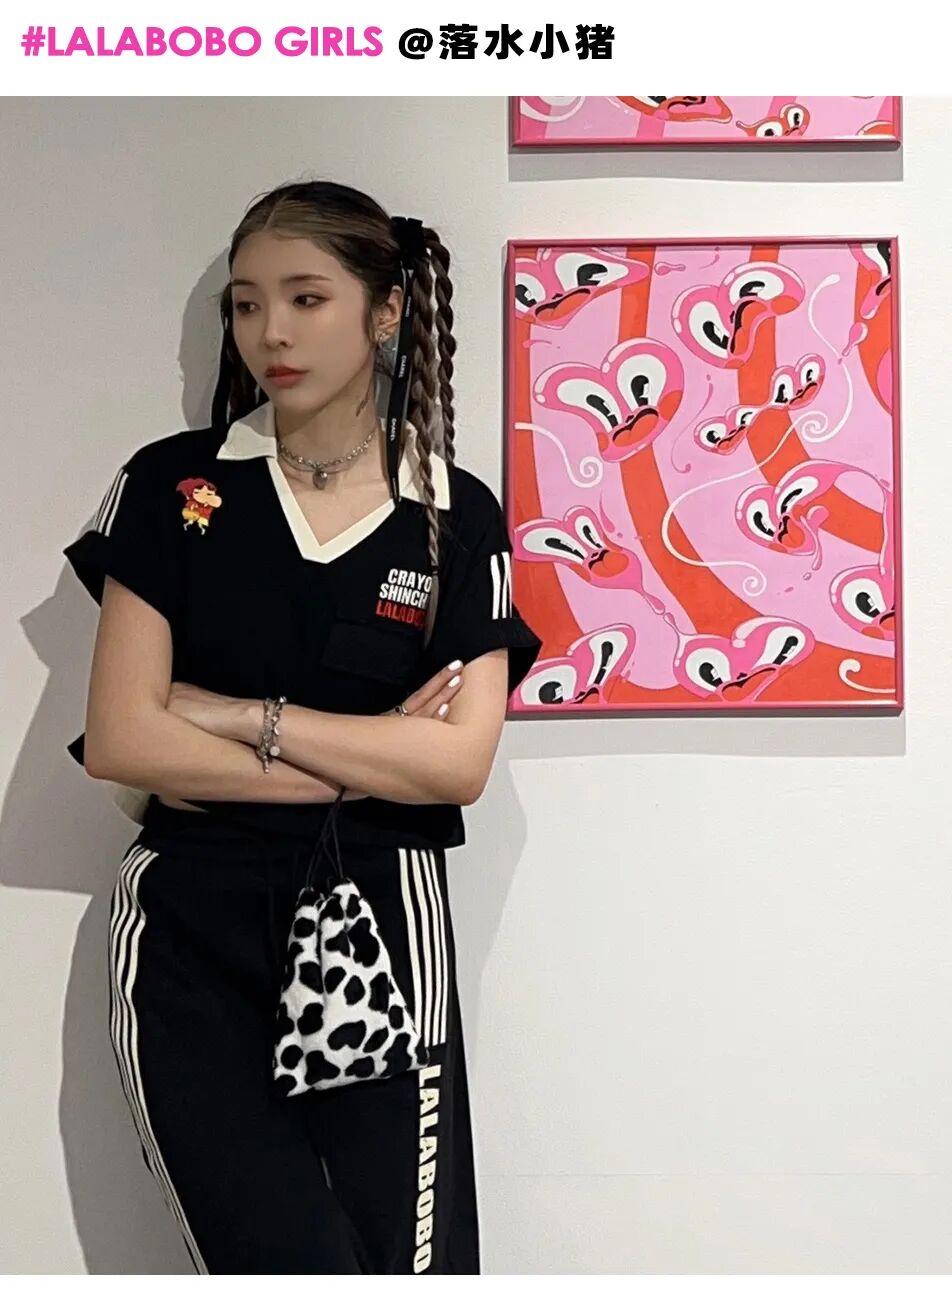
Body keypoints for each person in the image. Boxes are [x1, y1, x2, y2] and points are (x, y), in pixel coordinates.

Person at [62, 179, 542, 1274]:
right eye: (246, 303)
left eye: (306, 297)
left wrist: (239, 718)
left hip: (384, 924)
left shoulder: (452, 513)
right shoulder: (173, 486)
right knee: (276, 1256)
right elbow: (124, 741)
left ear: (386, 310)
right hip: (189, 930)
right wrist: (370, 758)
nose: (270, 331)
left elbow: (458, 763)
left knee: (408, 1264)